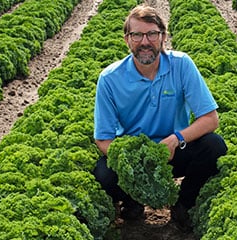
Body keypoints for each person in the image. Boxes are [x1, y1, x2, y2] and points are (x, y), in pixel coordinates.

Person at [92, 4, 228, 233]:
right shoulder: (110, 79)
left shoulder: (182, 65)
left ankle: (183, 202)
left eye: (152, 34)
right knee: (103, 176)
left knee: (214, 146)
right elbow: (103, 139)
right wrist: (133, 161)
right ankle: (133, 199)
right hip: (136, 160)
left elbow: (210, 119)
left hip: (174, 151)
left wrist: (176, 139)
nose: (145, 42)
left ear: (163, 37)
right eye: (137, 35)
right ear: (127, 39)